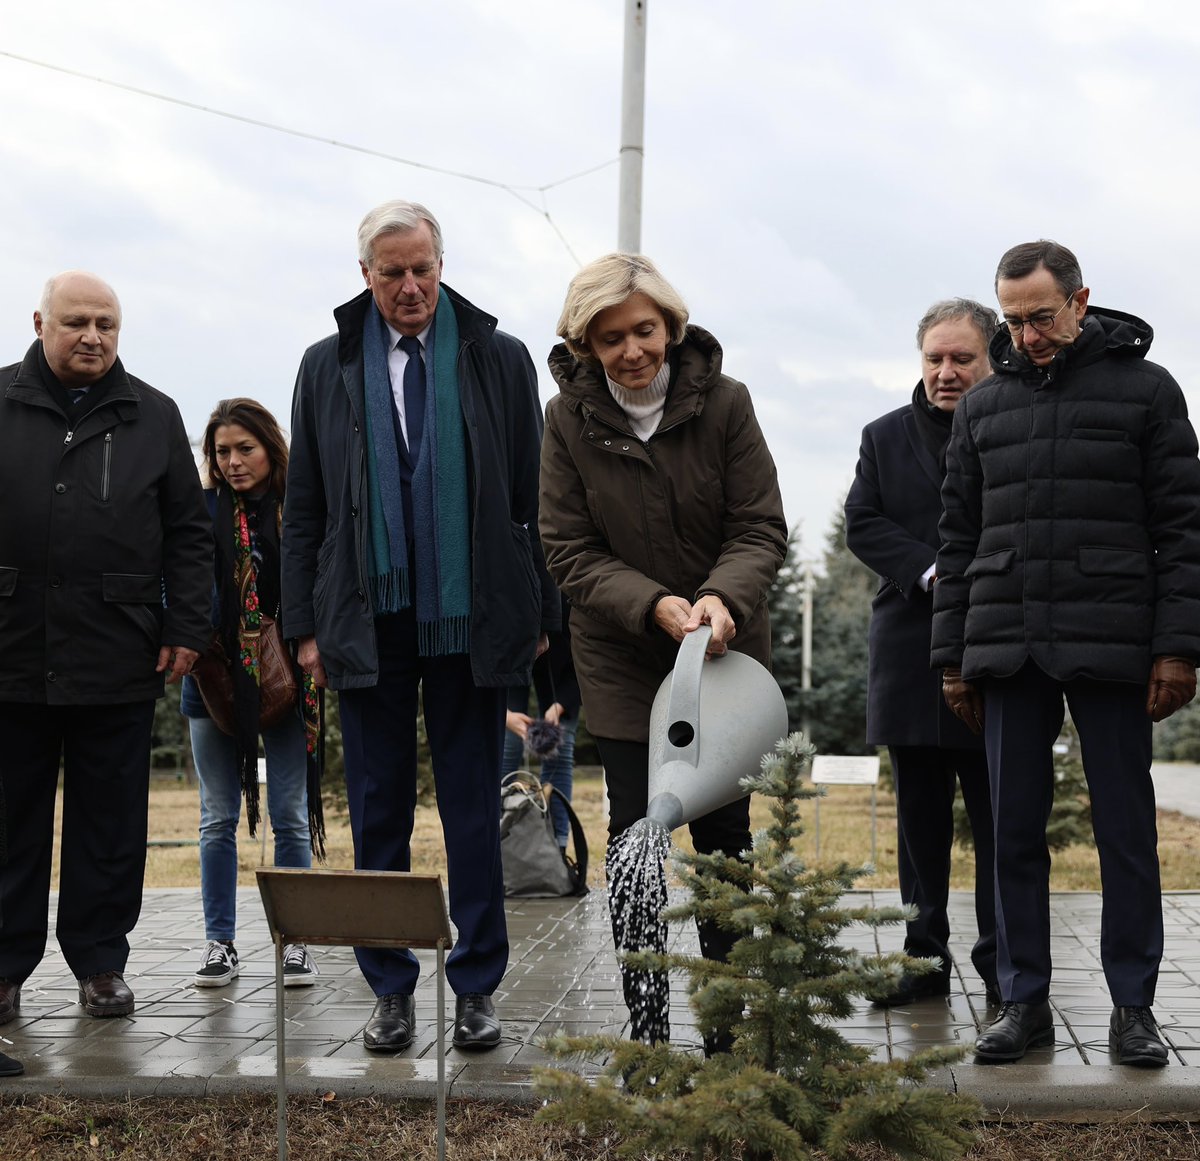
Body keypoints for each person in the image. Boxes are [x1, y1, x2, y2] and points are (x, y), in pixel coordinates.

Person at [282, 199, 556, 1054]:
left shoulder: (498, 358)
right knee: (378, 813)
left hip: (471, 621)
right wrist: (304, 627)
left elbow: (530, 498)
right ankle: (390, 988)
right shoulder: (325, 365)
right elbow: (305, 511)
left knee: (474, 807)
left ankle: (476, 987)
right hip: (365, 619)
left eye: (423, 268)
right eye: (392, 271)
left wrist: (537, 611)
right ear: (364, 274)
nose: (410, 286)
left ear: (442, 264)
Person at [933, 240, 1200, 1067]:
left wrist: (1178, 648)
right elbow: (959, 536)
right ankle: (1022, 1001)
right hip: (1009, 649)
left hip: (1118, 647)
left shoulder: (1148, 391)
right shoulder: (984, 407)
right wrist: (953, 657)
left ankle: (1133, 1008)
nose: (1026, 335)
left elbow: (1183, 531)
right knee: (1011, 829)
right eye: (1012, 320)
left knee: (1125, 831)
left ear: (1081, 302)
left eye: (1040, 317)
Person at [539, 252, 787, 1046]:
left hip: (721, 655)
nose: (632, 351)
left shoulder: (726, 404)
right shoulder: (565, 420)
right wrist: (649, 605)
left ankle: (729, 1025)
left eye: (644, 329)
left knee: (722, 840)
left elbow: (758, 525)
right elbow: (567, 548)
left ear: (671, 328)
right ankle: (646, 1028)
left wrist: (722, 597)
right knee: (636, 839)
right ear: (586, 343)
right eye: (610, 338)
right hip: (621, 654)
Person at [0, 271, 210, 1027]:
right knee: (8, 821)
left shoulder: (153, 414)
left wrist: (187, 626)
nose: (94, 336)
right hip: (11, 651)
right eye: (78, 321)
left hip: (118, 653)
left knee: (110, 824)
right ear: (40, 322)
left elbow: (190, 532)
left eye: (107, 324)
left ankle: (100, 962)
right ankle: (2, 970)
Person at [845, 299, 1000, 1009]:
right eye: (934, 358)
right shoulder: (884, 436)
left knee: (1004, 820)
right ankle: (922, 961)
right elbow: (864, 521)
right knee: (919, 828)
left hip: (998, 653)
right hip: (910, 651)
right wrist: (934, 570)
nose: (945, 372)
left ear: (990, 357)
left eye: (960, 358)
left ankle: (1007, 964)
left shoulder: (1016, 429)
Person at [181, 398, 325, 989]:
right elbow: (181, 582)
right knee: (217, 817)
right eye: (222, 452)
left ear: (270, 446)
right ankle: (220, 943)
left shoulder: (298, 509)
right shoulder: (202, 510)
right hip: (215, 680)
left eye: (246, 448)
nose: (234, 462)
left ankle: (296, 942)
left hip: (287, 677)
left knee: (289, 816)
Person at [502, 593, 580, 848]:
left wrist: (560, 706)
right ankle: (499, 844)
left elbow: (583, 664)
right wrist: (504, 715)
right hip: (506, 650)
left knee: (561, 747)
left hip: (563, 664)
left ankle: (557, 848)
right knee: (507, 746)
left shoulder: (570, 602)